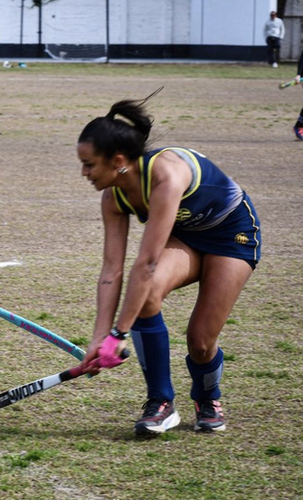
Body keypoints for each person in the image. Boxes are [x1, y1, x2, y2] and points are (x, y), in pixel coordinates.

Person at [76, 90, 261, 435]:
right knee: (147, 295)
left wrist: (119, 333)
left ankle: (208, 398)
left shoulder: (166, 177)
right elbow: (111, 270)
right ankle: (160, 402)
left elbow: (145, 263)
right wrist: (100, 337)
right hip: (188, 237)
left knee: (201, 342)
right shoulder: (113, 197)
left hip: (231, 234)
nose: (84, 172)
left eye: (89, 164)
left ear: (118, 161)